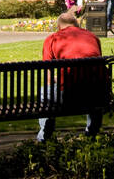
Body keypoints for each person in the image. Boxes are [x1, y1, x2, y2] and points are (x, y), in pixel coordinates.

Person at [37, 11, 104, 141]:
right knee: (93, 84)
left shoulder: (53, 39)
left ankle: (44, 137)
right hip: (98, 93)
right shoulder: (93, 37)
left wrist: (58, 79)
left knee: (45, 93)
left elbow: (48, 74)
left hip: (70, 94)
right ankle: (91, 134)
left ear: (58, 27)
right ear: (77, 25)